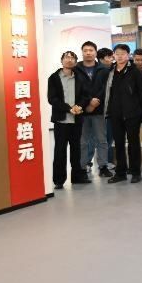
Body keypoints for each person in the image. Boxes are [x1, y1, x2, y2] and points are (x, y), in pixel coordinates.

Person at [104, 44, 142, 184]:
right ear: (114, 55)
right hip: (115, 113)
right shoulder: (111, 71)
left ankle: (136, 172)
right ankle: (120, 173)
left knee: (133, 143)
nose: (120, 56)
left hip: (132, 114)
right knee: (118, 143)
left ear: (128, 55)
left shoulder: (134, 71)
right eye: (117, 53)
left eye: (123, 53)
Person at [47, 51, 92, 189]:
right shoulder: (54, 78)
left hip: (76, 120)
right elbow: (52, 99)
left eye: (72, 58)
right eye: (67, 57)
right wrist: (68, 109)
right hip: (61, 121)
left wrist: (79, 106)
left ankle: (77, 177)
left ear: (76, 61)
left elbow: (86, 95)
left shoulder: (80, 77)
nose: (69, 60)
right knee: (60, 150)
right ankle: (59, 180)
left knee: (76, 149)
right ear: (62, 60)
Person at [77, 42, 112, 177]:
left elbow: (105, 89)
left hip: (99, 110)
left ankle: (103, 166)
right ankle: (82, 166)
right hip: (82, 110)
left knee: (101, 139)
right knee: (83, 141)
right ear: (82, 52)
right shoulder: (76, 69)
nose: (88, 53)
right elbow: (77, 90)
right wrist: (88, 103)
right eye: (85, 50)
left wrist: (95, 102)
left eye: (91, 50)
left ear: (95, 53)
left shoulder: (103, 70)